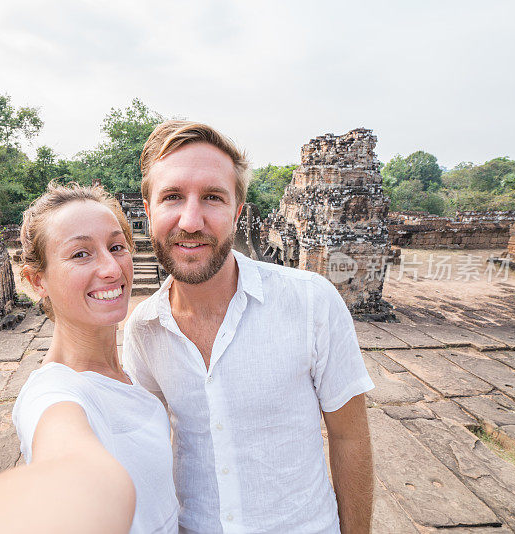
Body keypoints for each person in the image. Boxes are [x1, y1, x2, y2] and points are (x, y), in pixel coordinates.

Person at [122, 121, 375, 534]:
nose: (190, 220)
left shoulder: (311, 302)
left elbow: (349, 439)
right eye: (172, 197)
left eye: (212, 197)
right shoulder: (144, 330)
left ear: (237, 213)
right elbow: (144, 452)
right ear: (148, 212)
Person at [0, 183, 178, 534]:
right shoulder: (56, 397)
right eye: (80, 254)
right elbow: (70, 471)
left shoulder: (131, 364)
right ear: (37, 280)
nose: (111, 269)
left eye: (116, 247)